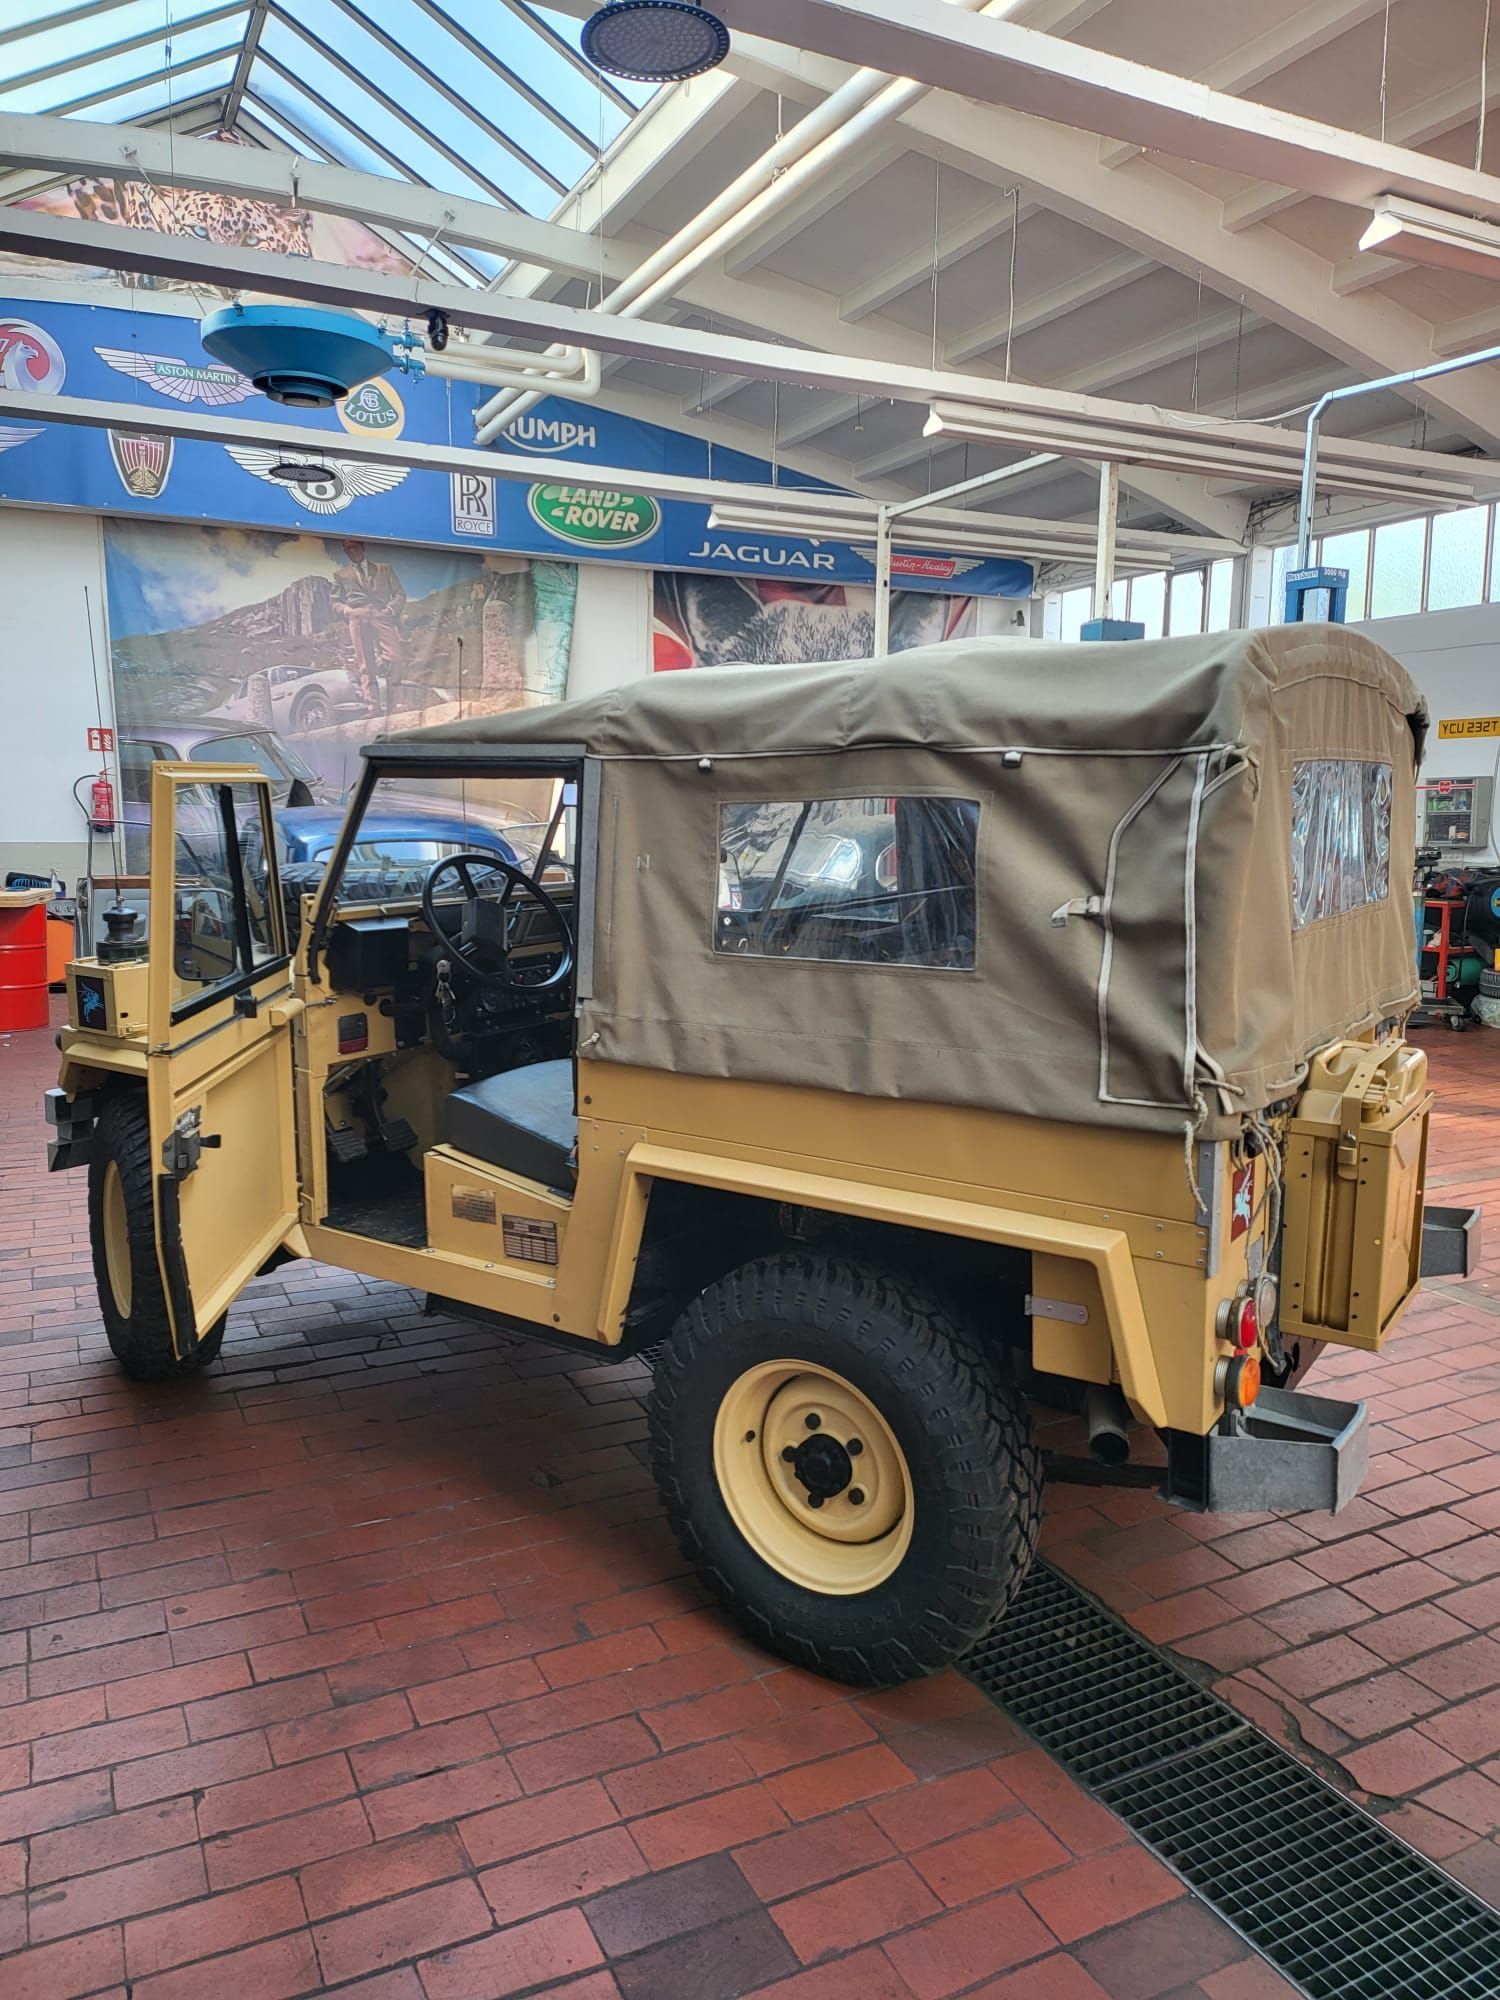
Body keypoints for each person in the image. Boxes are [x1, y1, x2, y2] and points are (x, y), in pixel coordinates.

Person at [331, 538, 406, 704]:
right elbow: (334, 602)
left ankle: (395, 704)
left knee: (394, 658)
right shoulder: (341, 575)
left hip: (381, 614)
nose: (352, 551)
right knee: (365, 663)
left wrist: (389, 610)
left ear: (363, 547)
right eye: (347, 549)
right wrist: (348, 611)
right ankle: (372, 705)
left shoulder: (383, 569)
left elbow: (400, 594)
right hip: (357, 616)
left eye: (354, 547)